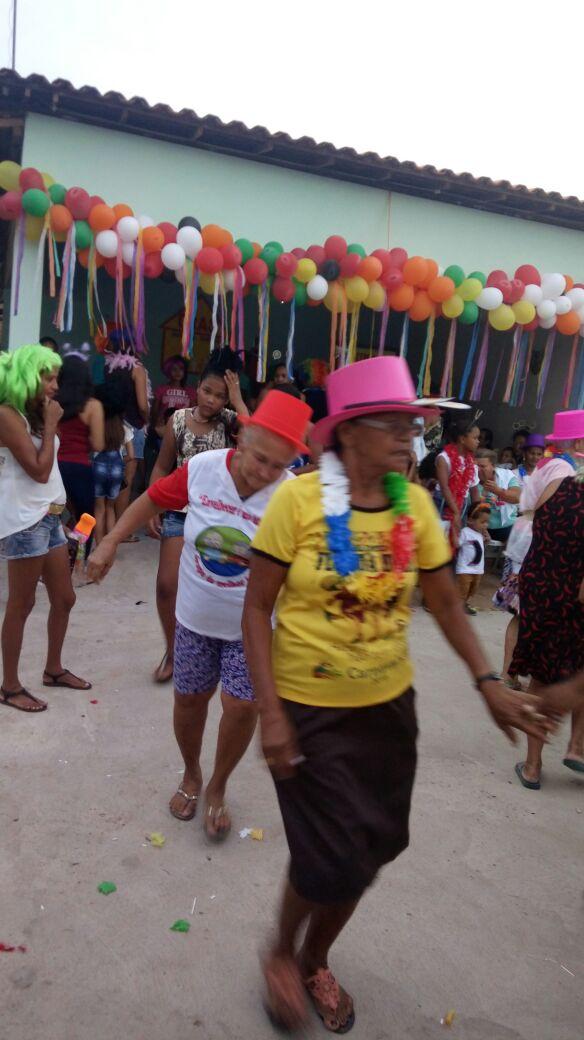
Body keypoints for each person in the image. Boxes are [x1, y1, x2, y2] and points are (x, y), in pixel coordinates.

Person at [242, 356, 552, 1033]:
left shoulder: (413, 503)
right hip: (306, 708)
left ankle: (314, 955)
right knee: (329, 856)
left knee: (372, 847)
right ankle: (278, 952)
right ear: (349, 432)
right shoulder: (298, 501)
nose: (409, 440)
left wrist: (488, 683)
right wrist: (270, 714)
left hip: (388, 710)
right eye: (395, 426)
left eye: (414, 427)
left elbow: (442, 601)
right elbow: (255, 609)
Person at [88, 391, 312, 839]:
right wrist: (110, 540)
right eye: (261, 459)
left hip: (251, 626)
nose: (267, 473)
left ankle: (218, 785)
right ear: (243, 438)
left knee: (242, 704)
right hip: (194, 618)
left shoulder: (290, 494)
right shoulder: (204, 470)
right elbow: (151, 499)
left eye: (279, 465)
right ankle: (191, 772)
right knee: (189, 701)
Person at [147, 348, 249, 684]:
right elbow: (162, 466)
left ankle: (210, 651)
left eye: (220, 395)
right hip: (178, 513)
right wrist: (152, 503)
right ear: (197, 387)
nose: (211, 400)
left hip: (217, 518)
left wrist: (236, 398)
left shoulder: (231, 421)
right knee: (166, 586)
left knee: (213, 589)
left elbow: (255, 438)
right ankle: (172, 651)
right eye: (207, 390)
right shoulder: (177, 419)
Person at [0, 344, 91, 713]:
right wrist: (53, 425)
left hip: (50, 516)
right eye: (46, 377)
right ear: (26, 377)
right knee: (21, 604)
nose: (54, 385)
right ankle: (9, 686)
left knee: (65, 598)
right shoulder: (7, 415)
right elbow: (38, 471)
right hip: (24, 520)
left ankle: (53, 669)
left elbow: (49, 471)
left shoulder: (33, 414)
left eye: (55, 377)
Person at [511, 410, 584, 789]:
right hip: (578, 586)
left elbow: (525, 507)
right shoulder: (573, 474)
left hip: (542, 582)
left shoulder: (546, 471)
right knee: (580, 670)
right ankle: (576, 746)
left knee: (541, 675)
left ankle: (533, 767)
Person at [56, 356, 104, 544]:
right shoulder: (93, 405)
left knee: (50, 517)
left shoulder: (52, 401)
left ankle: (51, 556)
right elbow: (99, 444)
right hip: (79, 468)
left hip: (52, 466)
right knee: (85, 517)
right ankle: (77, 558)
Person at [102, 331, 150, 514]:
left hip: (110, 425)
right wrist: (146, 420)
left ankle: (104, 522)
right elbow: (143, 405)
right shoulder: (137, 369)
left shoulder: (109, 367)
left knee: (107, 474)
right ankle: (120, 530)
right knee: (126, 479)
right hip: (132, 427)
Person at [93, 383, 136, 544]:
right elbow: (131, 456)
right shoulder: (124, 428)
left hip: (98, 468)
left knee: (99, 508)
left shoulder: (97, 426)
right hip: (117, 469)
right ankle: (110, 546)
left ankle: (98, 546)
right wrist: (119, 464)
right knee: (111, 508)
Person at [435, 416, 481, 548]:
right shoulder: (444, 458)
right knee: (440, 542)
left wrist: (479, 515)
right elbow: (444, 487)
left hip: (463, 504)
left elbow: (474, 490)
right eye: (475, 438)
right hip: (443, 503)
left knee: (456, 545)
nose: (478, 441)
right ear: (462, 439)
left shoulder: (471, 462)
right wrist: (455, 512)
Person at [476, 449, 520, 545]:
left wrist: (497, 490)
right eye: (476, 466)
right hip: (479, 528)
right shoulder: (471, 480)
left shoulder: (507, 475)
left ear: (493, 466)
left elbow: (517, 497)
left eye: (482, 466)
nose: (478, 469)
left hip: (506, 527)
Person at [455, 501, 490, 615]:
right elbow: (457, 544)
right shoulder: (465, 532)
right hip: (465, 569)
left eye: (487, 522)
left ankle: (463, 603)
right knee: (463, 589)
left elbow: (481, 548)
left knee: (472, 590)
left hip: (478, 570)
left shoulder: (480, 534)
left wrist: (487, 540)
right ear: (470, 520)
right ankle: (457, 606)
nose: (485, 525)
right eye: (482, 522)